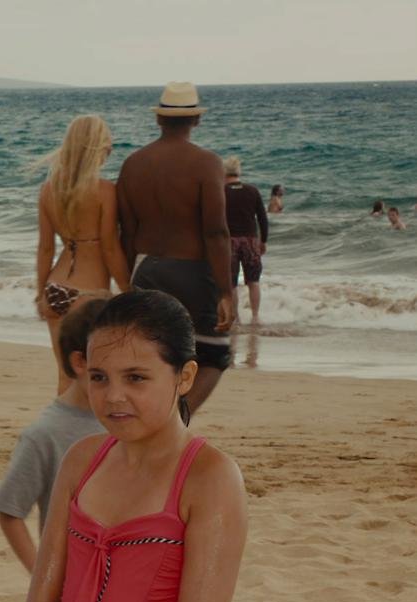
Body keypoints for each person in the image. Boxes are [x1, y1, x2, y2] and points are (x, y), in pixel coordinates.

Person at [21, 289, 247, 602]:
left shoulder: (209, 478)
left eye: (136, 378)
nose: (113, 396)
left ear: (184, 377)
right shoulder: (81, 462)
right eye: (99, 377)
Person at [116, 82, 234, 416]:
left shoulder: (133, 164)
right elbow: (216, 231)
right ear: (196, 120)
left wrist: (127, 284)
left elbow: (127, 233)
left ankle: (155, 421)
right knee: (215, 355)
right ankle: (177, 421)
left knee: (158, 356)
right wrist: (226, 291)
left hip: (146, 268)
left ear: (159, 119)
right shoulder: (207, 163)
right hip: (193, 271)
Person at [0, 296, 108, 574]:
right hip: (73, 582)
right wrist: (42, 576)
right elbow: (10, 512)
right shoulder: (45, 434)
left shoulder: (131, 424)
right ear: (80, 361)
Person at [34, 115, 130, 393]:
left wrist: (40, 293)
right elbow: (110, 247)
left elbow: (45, 249)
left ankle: (61, 423)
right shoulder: (104, 190)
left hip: (55, 289)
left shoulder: (49, 190)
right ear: (97, 147)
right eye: (107, 144)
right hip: (89, 294)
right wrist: (127, 289)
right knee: (94, 379)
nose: (110, 149)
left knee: (65, 377)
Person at [223, 156, 269, 325]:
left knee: (232, 283)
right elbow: (262, 218)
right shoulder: (252, 190)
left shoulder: (221, 191)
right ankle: (255, 316)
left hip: (229, 241)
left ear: (223, 172)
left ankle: (236, 318)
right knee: (253, 281)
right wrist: (263, 241)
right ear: (238, 172)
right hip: (250, 240)